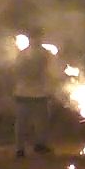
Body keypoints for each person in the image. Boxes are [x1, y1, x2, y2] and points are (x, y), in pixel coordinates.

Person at [12, 29, 56, 158]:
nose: (36, 40)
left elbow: (51, 72)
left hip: (37, 92)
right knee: (23, 122)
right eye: (34, 37)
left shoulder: (37, 54)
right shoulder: (25, 54)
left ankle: (37, 145)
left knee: (40, 122)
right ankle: (21, 148)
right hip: (26, 92)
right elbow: (17, 71)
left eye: (37, 37)